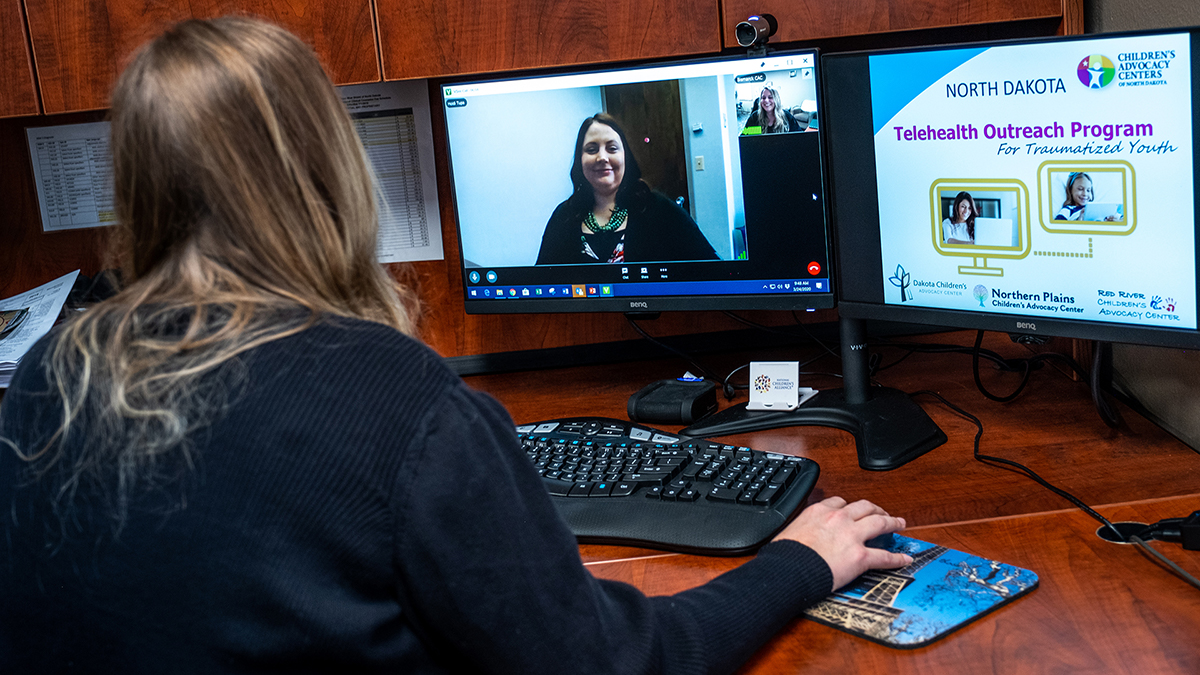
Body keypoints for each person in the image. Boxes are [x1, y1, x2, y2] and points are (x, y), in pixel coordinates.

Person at [0, 17, 912, 674]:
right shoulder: (393, 398)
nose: (604, 162)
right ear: (329, 174)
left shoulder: (53, 372)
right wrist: (803, 560)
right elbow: (610, 661)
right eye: (590, 150)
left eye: (613, 150)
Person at [536, 113, 719, 264]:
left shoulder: (661, 210)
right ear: (580, 160)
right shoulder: (564, 216)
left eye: (612, 148)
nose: (602, 157)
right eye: (591, 149)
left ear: (626, 157)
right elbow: (542, 285)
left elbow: (713, 270)